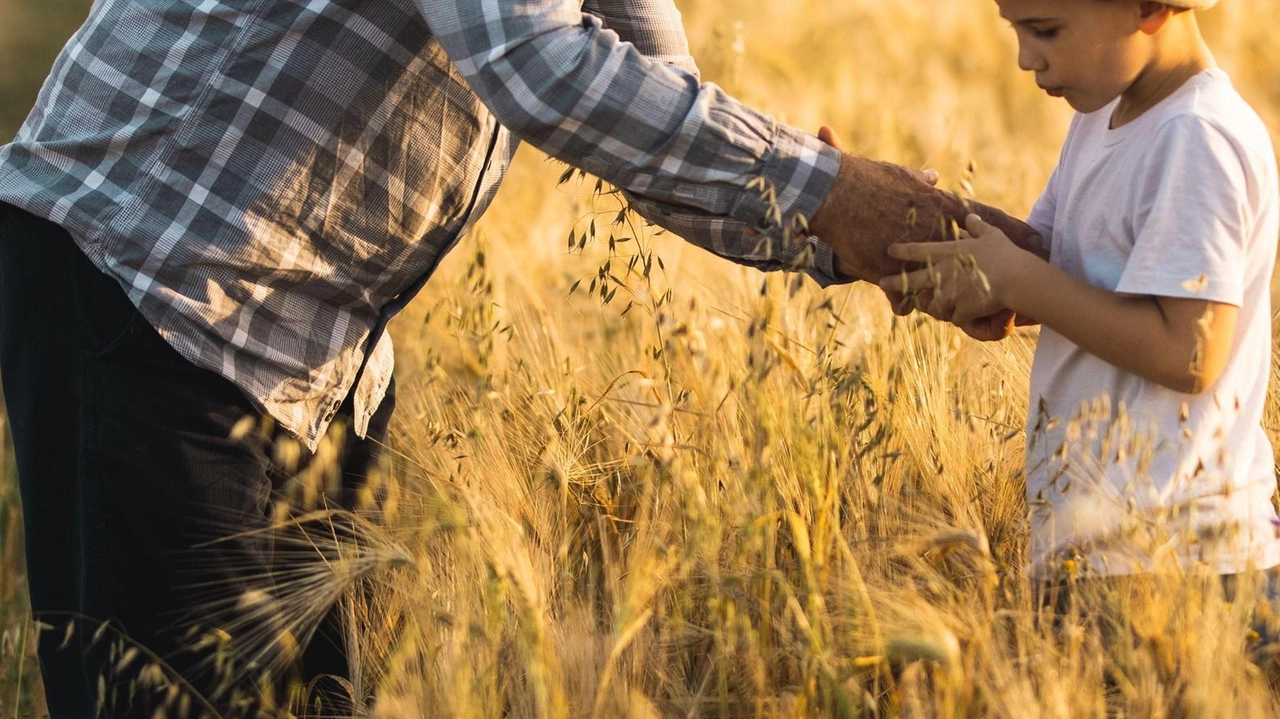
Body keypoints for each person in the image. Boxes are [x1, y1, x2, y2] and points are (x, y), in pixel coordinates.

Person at [0, 0, 1037, 716]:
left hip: (305, 343)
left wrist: (899, 239)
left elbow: (650, 103)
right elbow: (538, 65)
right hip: (147, 278)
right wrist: (831, 193)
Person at [880, 0, 1280, 593]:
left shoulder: (1196, 137)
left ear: (1147, 6)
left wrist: (1014, 278)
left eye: (1045, 30)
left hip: (1185, 564)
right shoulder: (1103, 118)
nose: (1023, 58)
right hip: (1093, 549)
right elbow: (1052, 267)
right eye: (1014, 30)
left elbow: (1188, 353)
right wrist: (905, 217)